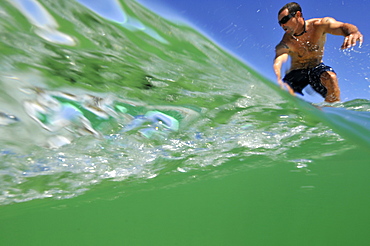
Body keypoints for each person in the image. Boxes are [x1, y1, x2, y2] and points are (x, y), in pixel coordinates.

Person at [273, 2, 363, 102]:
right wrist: (277, 71)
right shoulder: (287, 40)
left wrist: (352, 32)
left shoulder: (318, 25)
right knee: (284, 95)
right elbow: (280, 55)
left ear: (298, 15)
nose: (282, 25)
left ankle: (332, 111)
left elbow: (341, 26)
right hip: (297, 73)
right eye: (280, 22)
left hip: (316, 68)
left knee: (331, 78)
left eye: (285, 19)